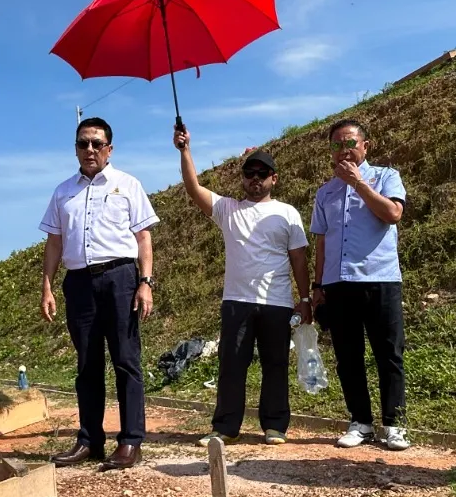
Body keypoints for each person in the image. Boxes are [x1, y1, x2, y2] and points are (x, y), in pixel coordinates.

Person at [175, 127, 311, 445]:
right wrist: (185, 150)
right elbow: (193, 188)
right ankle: (226, 427)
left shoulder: (287, 213)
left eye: (262, 173)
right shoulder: (227, 209)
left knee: (275, 365)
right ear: (243, 178)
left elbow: (299, 260)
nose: (255, 179)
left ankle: (275, 426)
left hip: (277, 302)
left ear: (274, 178)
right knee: (232, 365)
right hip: (236, 301)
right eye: (250, 173)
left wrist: (305, 299)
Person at [39, 117, 158, 470]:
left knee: (126, 360)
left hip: (120, 279)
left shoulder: (128, 185)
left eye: (96, 143)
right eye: (83, 143)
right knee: (87, 364)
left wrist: (145, 282)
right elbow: (55, 241)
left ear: (109, 149)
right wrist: (47, 285)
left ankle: (131, 441)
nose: (89, 149)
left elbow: (143, 238)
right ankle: (90, 440)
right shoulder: (63, 192)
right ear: (75, 148)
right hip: (79, 283)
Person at [309, 119, 411, 451]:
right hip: (338, 283)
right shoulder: (325, 192)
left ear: (365, 146)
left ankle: (394, 424)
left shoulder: (385, 176)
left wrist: (358, 183)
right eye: (336, 145)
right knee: (348, 356)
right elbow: (321, 241)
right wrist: (317, 286)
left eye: (350, 143)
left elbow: (393, 214)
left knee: (389, 354)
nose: (344, 150)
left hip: (380, 278)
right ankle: (361, 422)